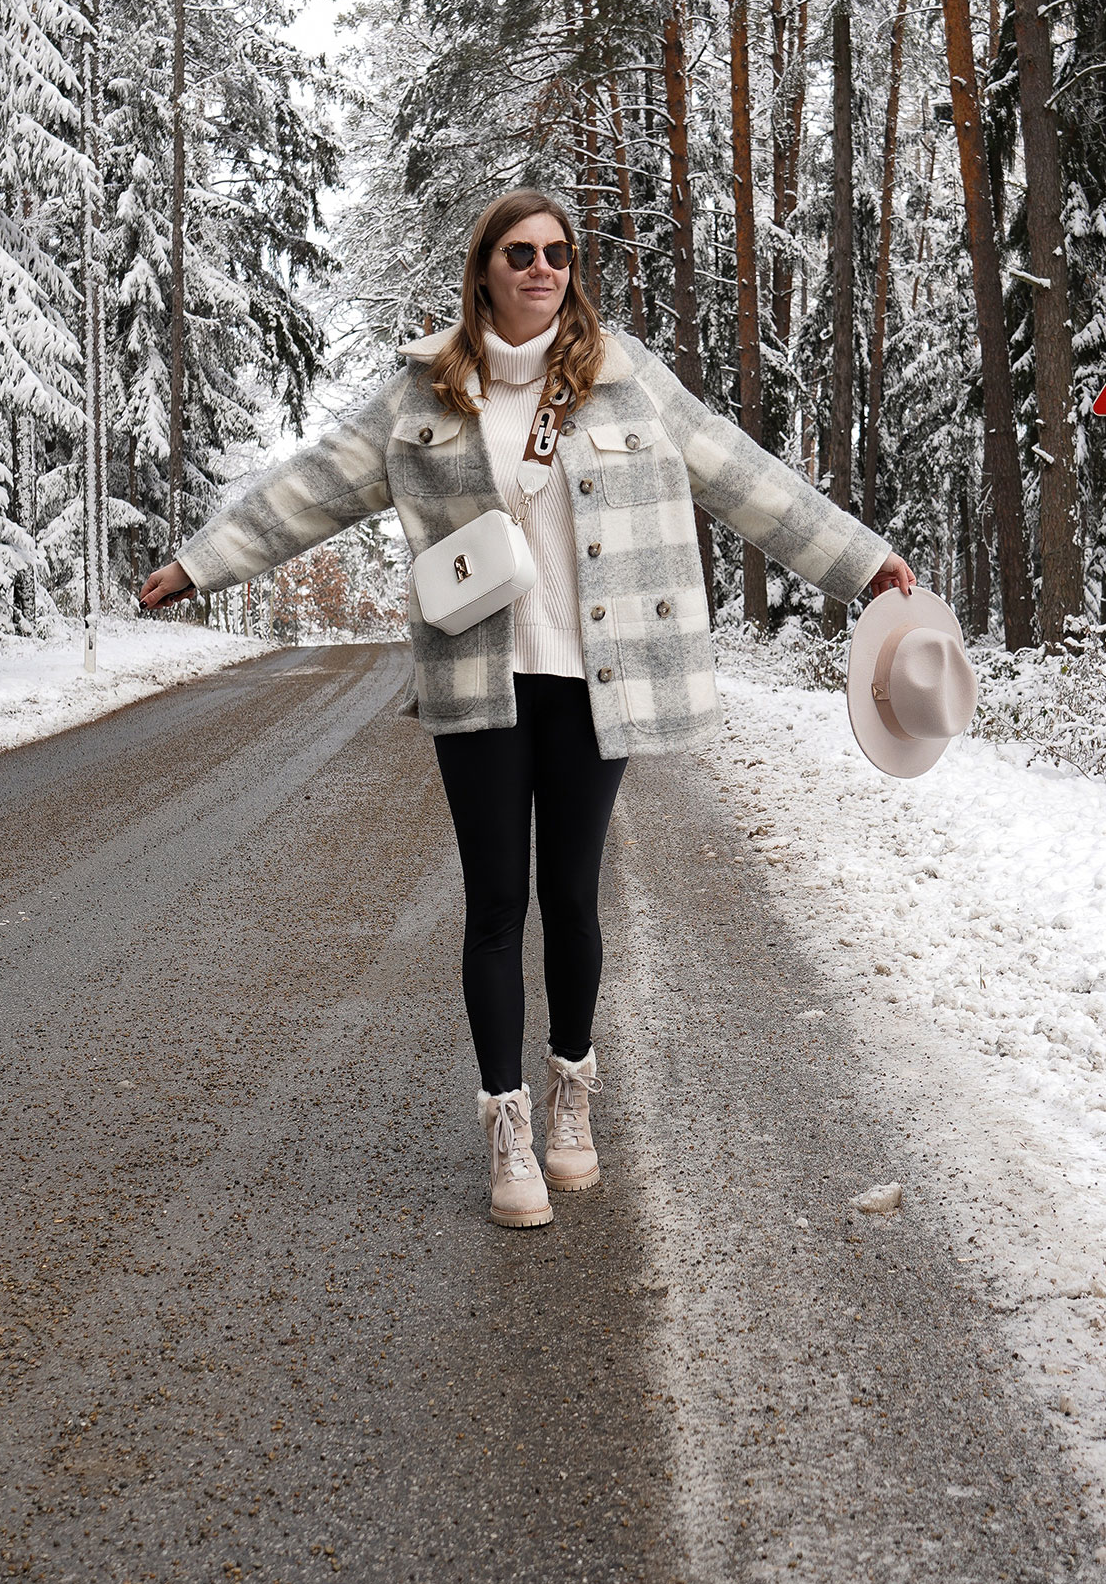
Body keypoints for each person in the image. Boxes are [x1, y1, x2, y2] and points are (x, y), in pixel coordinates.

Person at [141, 189, 914, 1230]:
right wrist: (197, 563)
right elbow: (308, 490)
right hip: (480, 677)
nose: (542, 267)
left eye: (557, 253)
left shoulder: (623, 379)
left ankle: (571, 1098)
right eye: (520, 252)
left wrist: (861, 563)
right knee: (496, 902)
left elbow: (744, 478)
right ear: (484, 268)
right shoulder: (422, 394)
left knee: (574, 896)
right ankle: (504, 1126)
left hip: (600, 680)